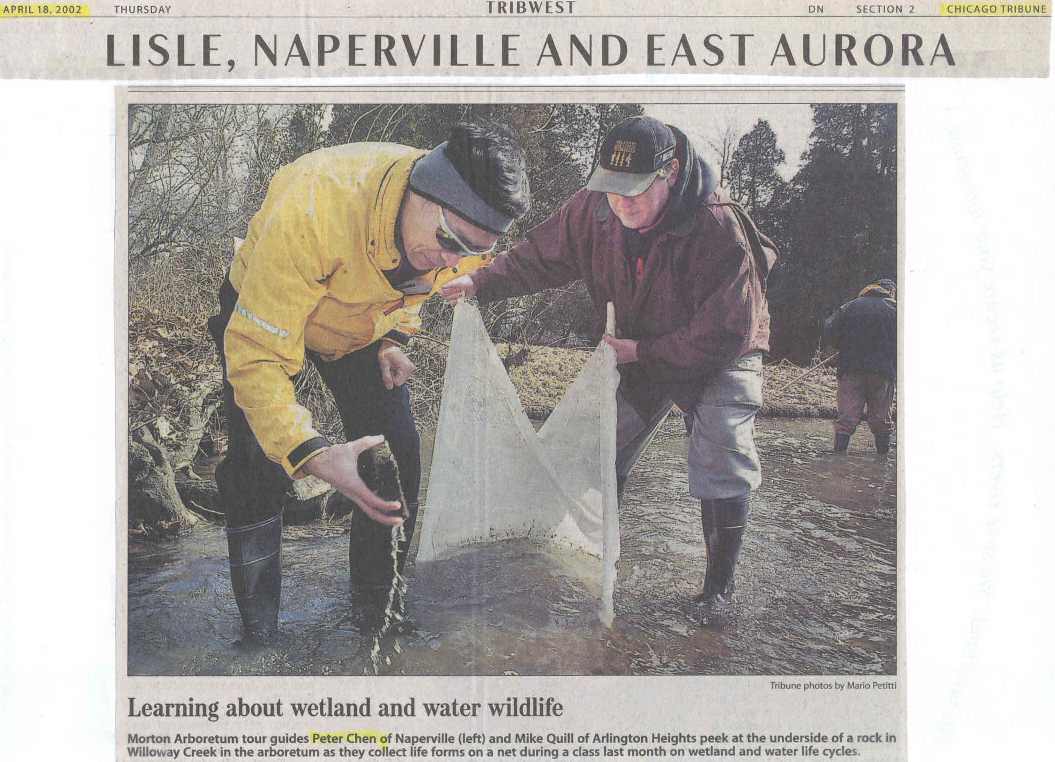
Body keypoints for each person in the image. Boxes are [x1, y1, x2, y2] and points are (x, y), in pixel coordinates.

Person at [441, 116, 777, 618]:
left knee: (722, 453)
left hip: (722, 351)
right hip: (638, 344)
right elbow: (541, 256)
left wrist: (642, 353)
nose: (622, 203)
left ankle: (718, 590)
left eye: (636, 191)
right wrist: (481, 283)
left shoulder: (717, 224)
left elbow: (727, 329)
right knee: (595, 448)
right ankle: (597, 561)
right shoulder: (593, 207)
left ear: (671, 172)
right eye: (612, 189)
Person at [207, 123, 531, 642]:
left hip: (363, 327)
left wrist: (394, 338)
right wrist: (309, 452)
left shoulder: (462, 237)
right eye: (449, 242)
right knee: (258, 468)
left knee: (399, 453)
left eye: (471, 253)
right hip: (267, 311)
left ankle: (377, 619)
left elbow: (425, 282)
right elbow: (259, 355)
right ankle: (259, 636)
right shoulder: (314, 203)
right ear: (422, 193)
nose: (455, 261)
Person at [823, 279, 897, 455]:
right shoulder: (897, 310)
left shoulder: (850, 306)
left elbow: (829, 328)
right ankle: (882, 461)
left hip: (851, 368)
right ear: (890, 292)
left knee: (847, 418)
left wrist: (840, 344)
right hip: (883, 371)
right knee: (881, 419)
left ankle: (838, 460)